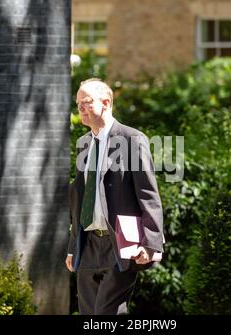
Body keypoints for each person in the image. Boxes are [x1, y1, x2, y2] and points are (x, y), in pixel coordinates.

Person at [65, 78, 164, 315]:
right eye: (78, 103)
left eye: (86, 102)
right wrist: (72, 247)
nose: (80, 108)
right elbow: (80, 198)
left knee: (107, 313)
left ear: (106, 103)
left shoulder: (132, 139)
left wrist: (150, 243)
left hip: (119, 242)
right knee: (89, 314)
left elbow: (148, 194)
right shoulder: (84, 144)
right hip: (87, 243)